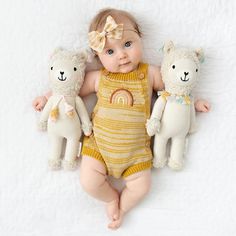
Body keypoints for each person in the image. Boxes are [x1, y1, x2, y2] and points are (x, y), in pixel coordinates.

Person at [33, 8, 210, 229]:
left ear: (140, 38)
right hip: (98, 148)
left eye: (128, 44)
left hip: (136, 154)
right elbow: (69, 89)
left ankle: (123, 205)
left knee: (142, 187)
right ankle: (110, 197)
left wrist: (195, 103)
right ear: (97, 56)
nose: (122, 55)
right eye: (110, 51)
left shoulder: (150, 74)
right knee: (88, 182)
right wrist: (47, 97)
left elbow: (176, 92)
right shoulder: (99, 77)